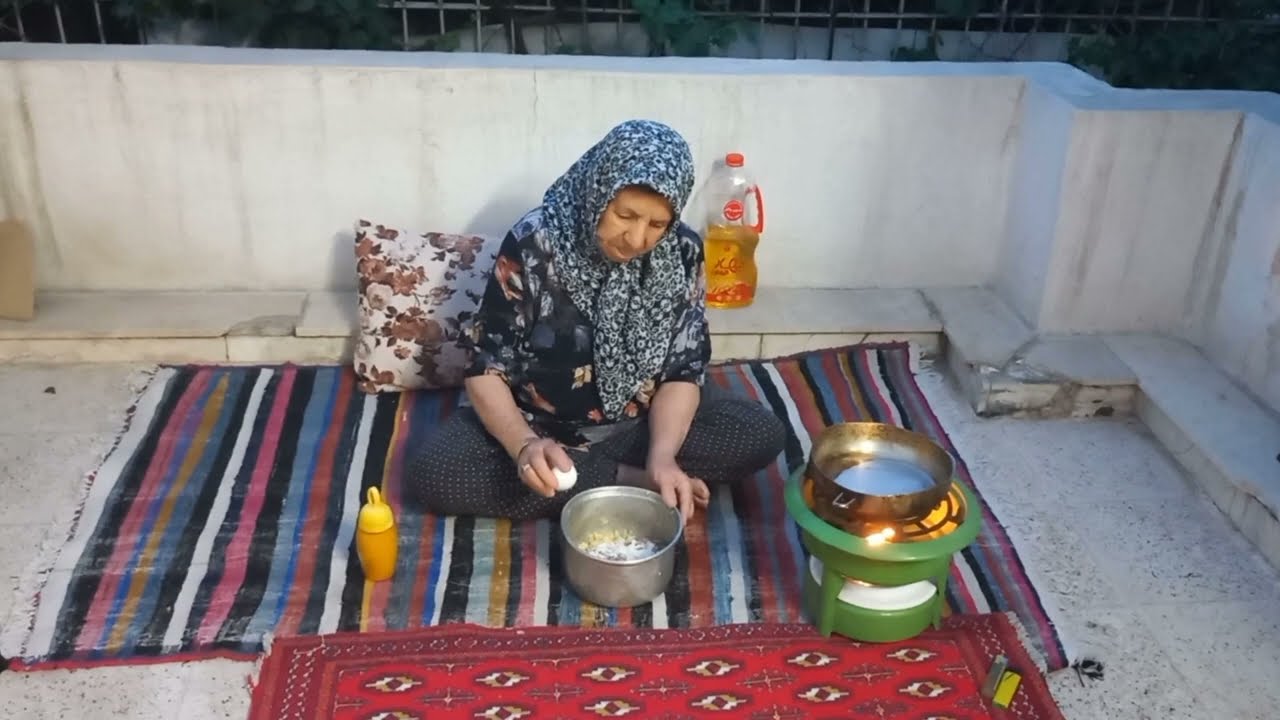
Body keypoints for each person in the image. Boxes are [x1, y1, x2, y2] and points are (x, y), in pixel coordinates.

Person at [407, 120, 786, 522]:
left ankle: (602, 477)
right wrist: (523, 446)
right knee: (437, 472)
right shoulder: (536, 244)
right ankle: (626, 481)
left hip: (642, 425)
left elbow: (682, 371)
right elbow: (485, 369)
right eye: (625, 215)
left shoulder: (682, 251)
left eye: (657, 224)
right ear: (598, 191)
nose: (637, 239)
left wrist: (663, 456)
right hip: (540, 427)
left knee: (760, 434)